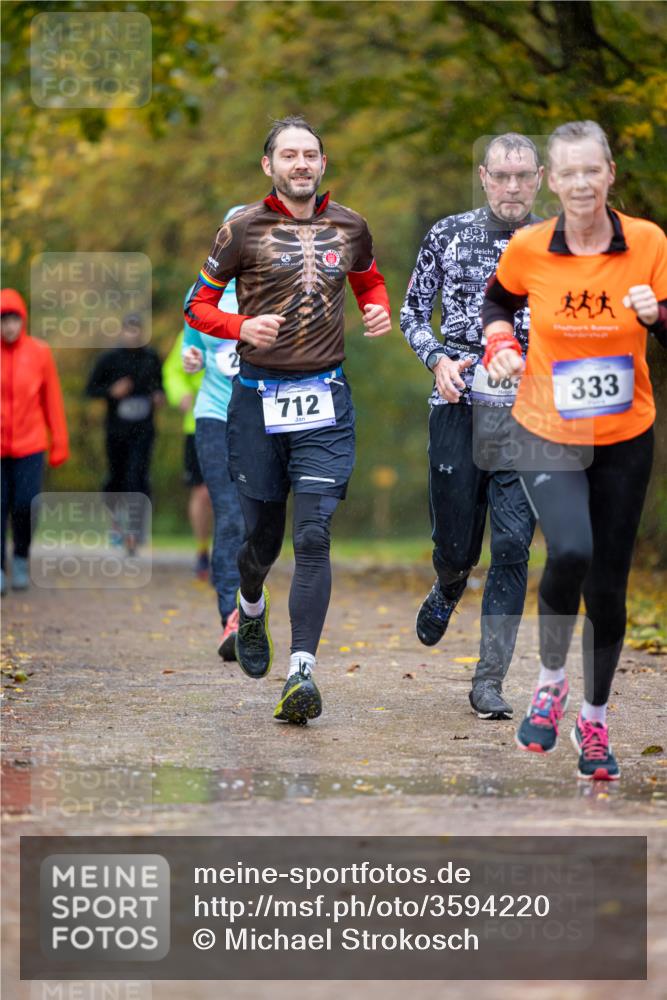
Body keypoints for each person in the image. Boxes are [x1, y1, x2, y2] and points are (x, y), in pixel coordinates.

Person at [184, 115, 391, 724]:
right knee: (262, 541)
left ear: (323, 164)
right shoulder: (240, 228)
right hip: (254, 402)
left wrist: (376, 308)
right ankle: (250, 605)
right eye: (289, 155)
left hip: (326, 401)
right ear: (269, 166)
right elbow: (195, 304)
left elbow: (368, 277)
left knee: (315, 535)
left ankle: (301, 672)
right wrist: (239, 326)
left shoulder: (350, 225)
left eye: (311, 154)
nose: (301, 164)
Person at [482, 120, 667, 780]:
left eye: (594, 170)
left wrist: (656, 316)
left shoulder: (646, 242)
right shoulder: (529, 247)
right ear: (552, 182)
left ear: (609, 173)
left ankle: (593, 720)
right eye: (569, 173)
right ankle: (549, 682)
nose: (582, 183)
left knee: (610, 589)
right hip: (545, 429)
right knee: (570, 551)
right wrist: (500, 345)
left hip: (623, 435)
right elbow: (495, 303)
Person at [401, 134, 543, 720]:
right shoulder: (448, 234)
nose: (512, 188)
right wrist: (436, 358)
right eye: (502, 176)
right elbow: (412, 311)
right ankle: (450, 581)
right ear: (484, 176)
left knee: (512, 544)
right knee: (457, 538)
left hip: (530, 410)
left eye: (523, 177)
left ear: (539, 179)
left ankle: (489, 680)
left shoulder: (559, 243)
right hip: (459, 400)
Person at [180, 216, 246, 660]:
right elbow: (193, 348)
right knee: (229, 514)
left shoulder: (277, 287)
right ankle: (232, 617)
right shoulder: (201, 293)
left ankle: (252, 605)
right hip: (214, 417)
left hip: (267, 419)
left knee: (260, 522)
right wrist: (189, 359)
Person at [1, 287, 69, 594]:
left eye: (13, 319)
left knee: (25, 503)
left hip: (30, 444)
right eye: (3, 321)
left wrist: (60, 442)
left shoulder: (39, 353)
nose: (9, 326)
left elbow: (51, 400)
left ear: (23, 320)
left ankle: (19, 557)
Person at [85, 313, 164, 555]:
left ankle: (134, 532)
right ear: (122, 332)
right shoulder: (109, 359)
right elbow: (90, 390)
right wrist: (112, 391)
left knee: (138, 478)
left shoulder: (151, 358)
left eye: (136, 330)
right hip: (116, 431)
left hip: (144, 430)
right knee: (117, 479)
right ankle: (117, 524)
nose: (133, 334)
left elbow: (161, 386)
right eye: (128, 330)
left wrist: (159, 395)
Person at [163, 319, 213, 581]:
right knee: (203, 492)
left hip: (238, 423)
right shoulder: (192, 332)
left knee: (238, 493)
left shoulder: (247, 323)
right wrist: (180, 393)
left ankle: (232, 552)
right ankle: (203, 551)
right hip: (198, 423)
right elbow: (172, 372)